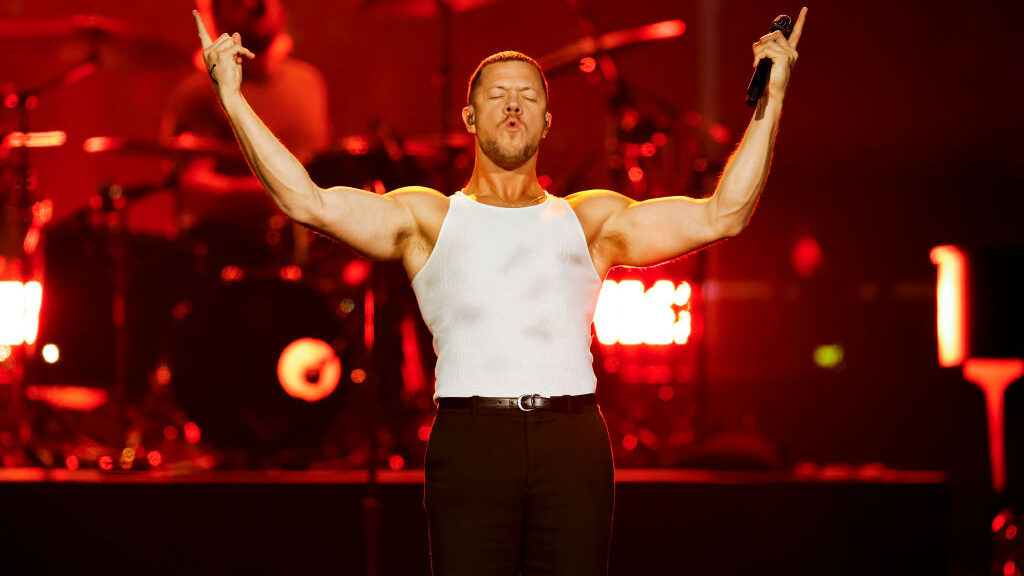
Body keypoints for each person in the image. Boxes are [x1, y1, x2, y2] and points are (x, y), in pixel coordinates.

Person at [191, 6, 807, 574]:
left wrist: (770, 100)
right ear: (469, 117)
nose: (512, 106)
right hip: (471, 437)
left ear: (546, 119)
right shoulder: (428, 220)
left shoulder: (589, 220)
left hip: (572, 441)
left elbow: (723, 214)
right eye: (496, 96)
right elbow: (307, 202)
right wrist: (233, 101)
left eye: (527, 96)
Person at [164, 0, 329, 267]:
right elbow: (193, 191)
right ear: (214, 17)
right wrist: (274, 194)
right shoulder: (199, 93)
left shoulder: (310, 83)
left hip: (306, 265)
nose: (257, 5)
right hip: (228, 262)